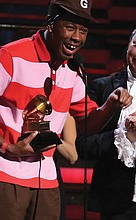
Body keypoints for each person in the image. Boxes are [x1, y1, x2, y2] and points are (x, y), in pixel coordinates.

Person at [0, 0, 132, 219]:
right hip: (3, 171)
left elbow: (86, 121)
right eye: (70, 27)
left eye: (83, 30)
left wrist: (110, 104)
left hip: (46, 177)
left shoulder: (72, 70)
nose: (77, 37)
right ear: (50, 24)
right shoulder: (11, 56)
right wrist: (7, 147)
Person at [76, 27, 136, 220]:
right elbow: (82, 145)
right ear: (127, 47)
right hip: (117, 204)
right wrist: (124, 136)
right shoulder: (102, 88)